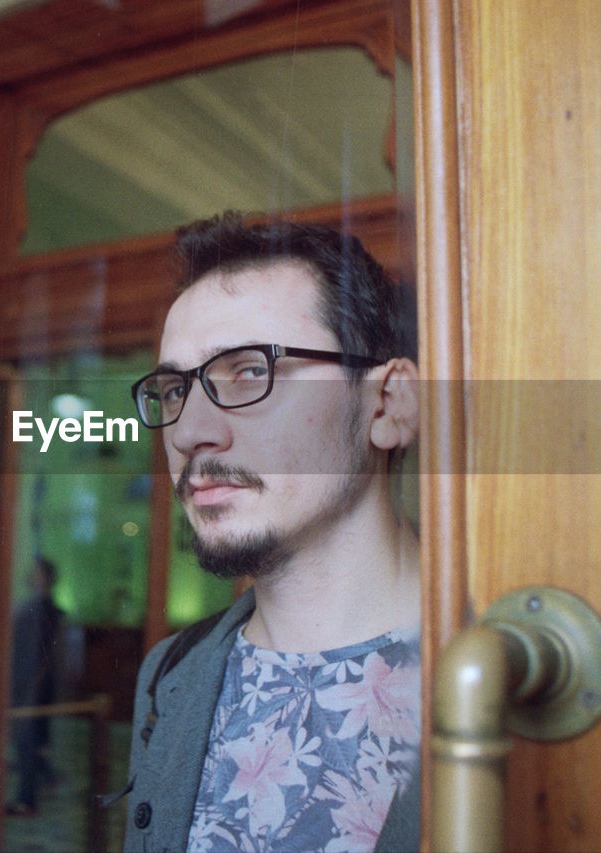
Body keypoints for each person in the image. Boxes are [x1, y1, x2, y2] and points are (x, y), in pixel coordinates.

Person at [123, 212, 421, 851]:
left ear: (388, 405)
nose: (186, 432)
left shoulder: (535, 674)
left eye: (250, 371)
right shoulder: (171, 675)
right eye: (174, 390)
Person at [8, 555, 65, 816]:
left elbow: (44, 657)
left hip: (33, 689)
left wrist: (31, 688)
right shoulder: (34, 608)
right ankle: (48, 778)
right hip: (26, 686)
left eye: (36, 572)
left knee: (27, 742)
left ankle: (28, 798)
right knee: (28, 742)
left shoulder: (46, 611)